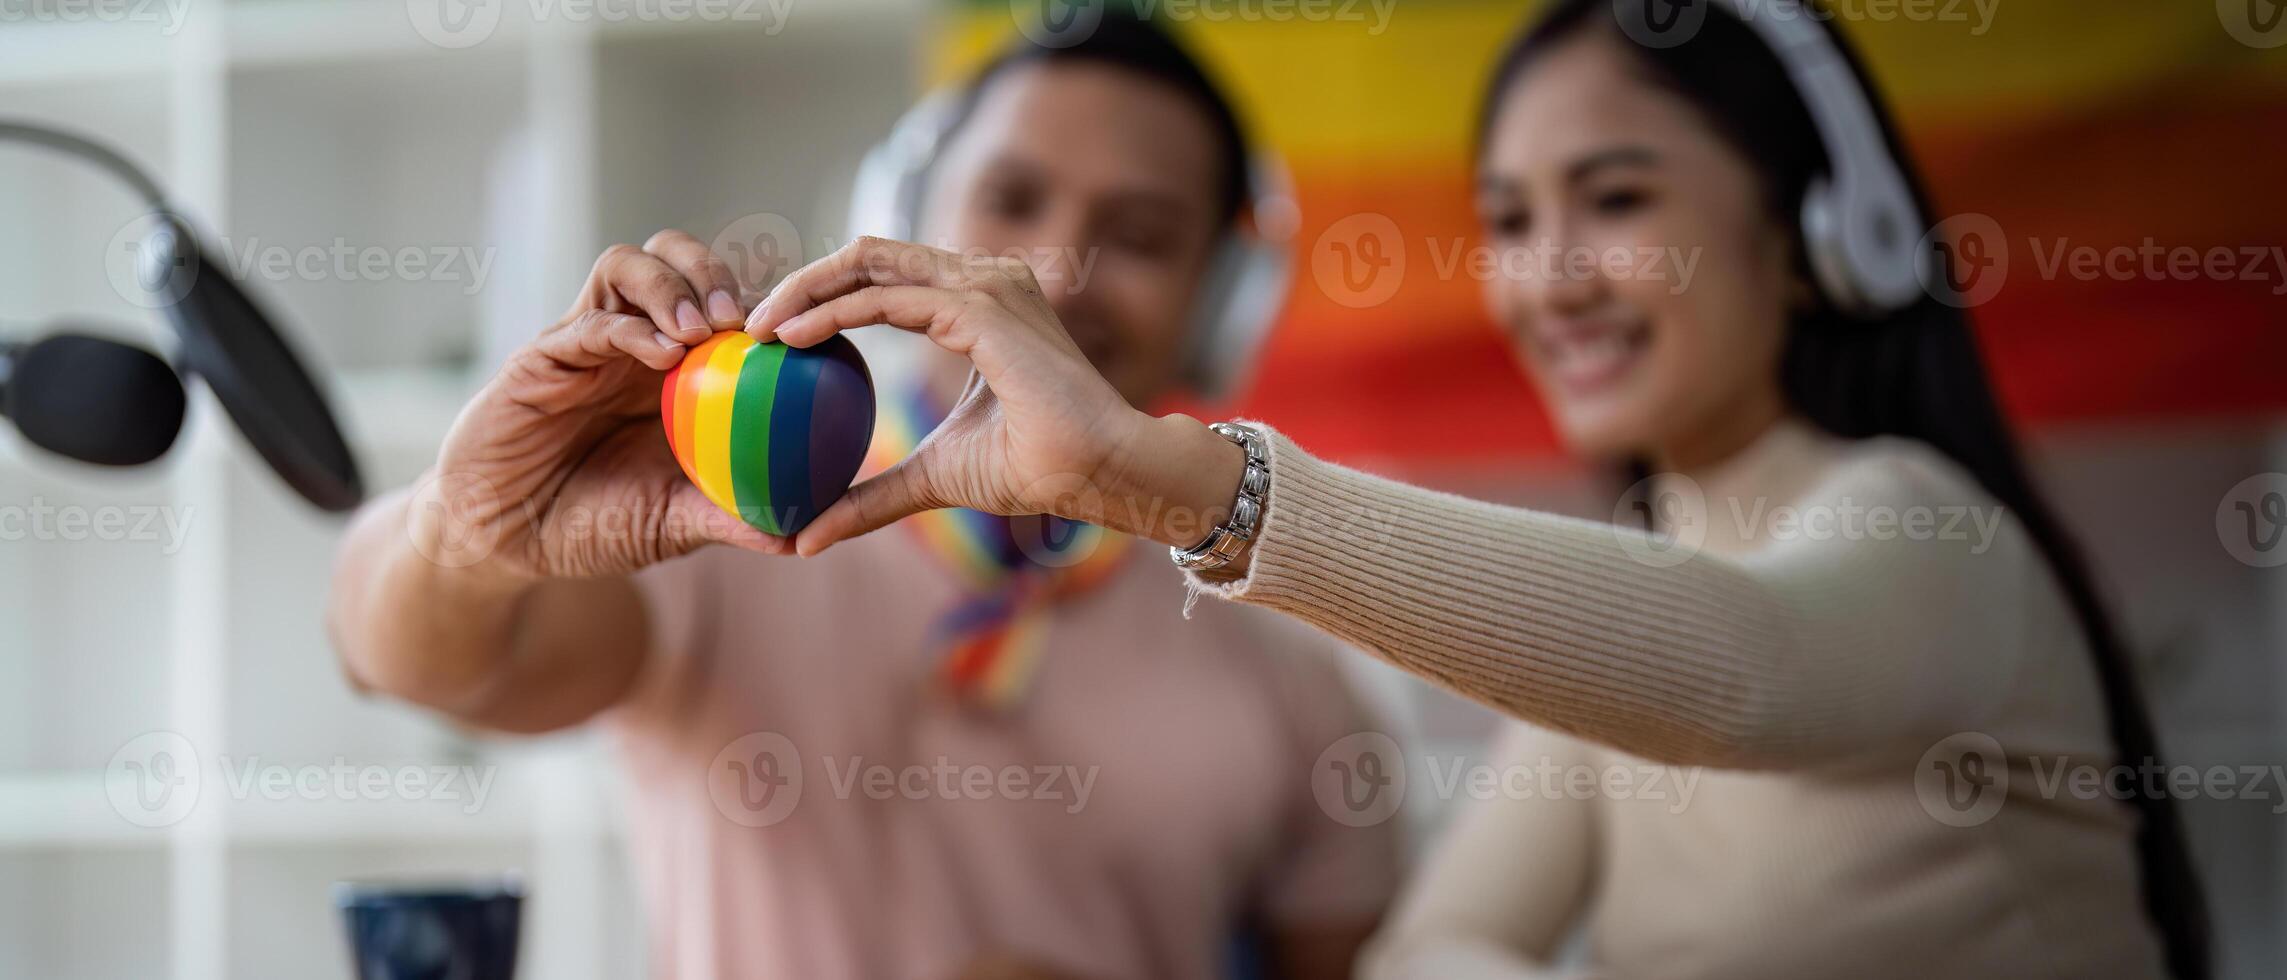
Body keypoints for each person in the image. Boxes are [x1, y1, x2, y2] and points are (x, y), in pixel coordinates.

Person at [735, 1, 2208, 977]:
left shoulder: (1917, 529)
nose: (1547, 276)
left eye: (1614, 199)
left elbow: (1737, 667)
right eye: (1508, 219)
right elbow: (1439, 951)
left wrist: (1165, 480)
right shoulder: (1632, 606)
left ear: (1818, 230)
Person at [327, 16, 1397, 980]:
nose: (1059, 271)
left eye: (1144, 236)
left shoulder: (1294, 664)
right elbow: (407, 660)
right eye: (1011, 200)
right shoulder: (719, 534)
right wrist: (468, 531)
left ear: (1220, 302)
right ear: (907, 223)